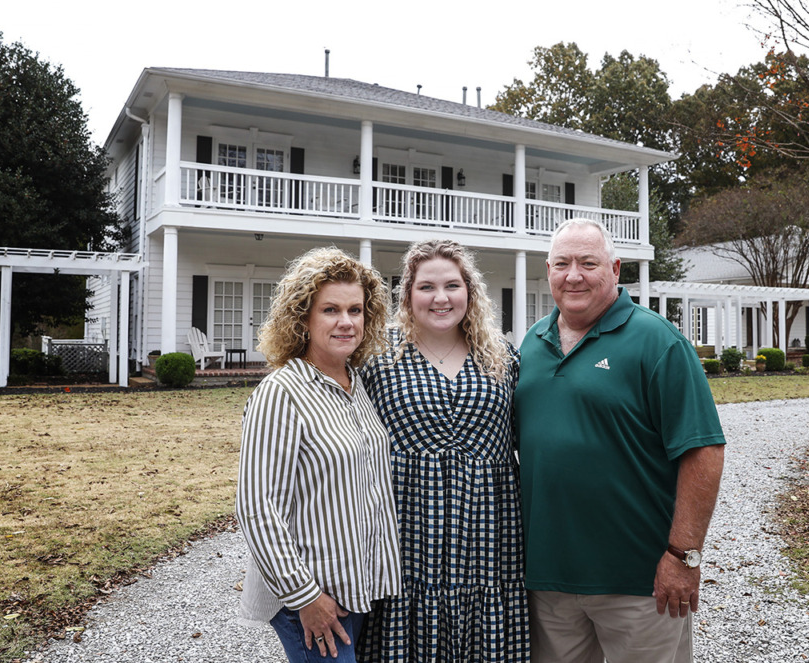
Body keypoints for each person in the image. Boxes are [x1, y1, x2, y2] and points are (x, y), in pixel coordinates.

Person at [514, 218, 726, 663]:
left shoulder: (658, 342)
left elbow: (703, 450)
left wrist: (682, 556)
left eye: (588, 263)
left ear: (615, 268)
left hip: (640, 581)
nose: (574, 275)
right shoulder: (531, 346)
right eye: (562, 263)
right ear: (547, 269)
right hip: (548, 581)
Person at [358, 239, 529, 662]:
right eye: (426, 287)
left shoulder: (503, 357)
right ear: (408, 294)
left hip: (490, 534)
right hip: (406, 533)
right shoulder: (377, 358)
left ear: (470, 292)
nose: (440, 298)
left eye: (452, 285)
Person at [236, 246, 401, 663]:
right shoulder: (282, 393)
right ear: (303, 319)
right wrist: (305, 596)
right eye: (330, 310)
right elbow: (256, 506)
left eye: (356, 310)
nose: (346, 322)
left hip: (352, 592)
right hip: (310, 599)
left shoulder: (356, 385)